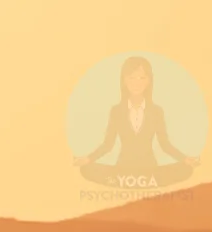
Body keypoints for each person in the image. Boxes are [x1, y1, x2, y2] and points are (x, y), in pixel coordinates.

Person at [76, 55, 200, 188]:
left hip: (150, 171)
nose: (137, 83)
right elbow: (108, 144)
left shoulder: (156, 111)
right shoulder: (116, 111)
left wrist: (184, 159)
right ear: (124, 80)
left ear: (149, 81)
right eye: (131, 78)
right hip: (123, 171)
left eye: (142, 78)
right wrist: (88, 159)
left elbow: (165, 145)